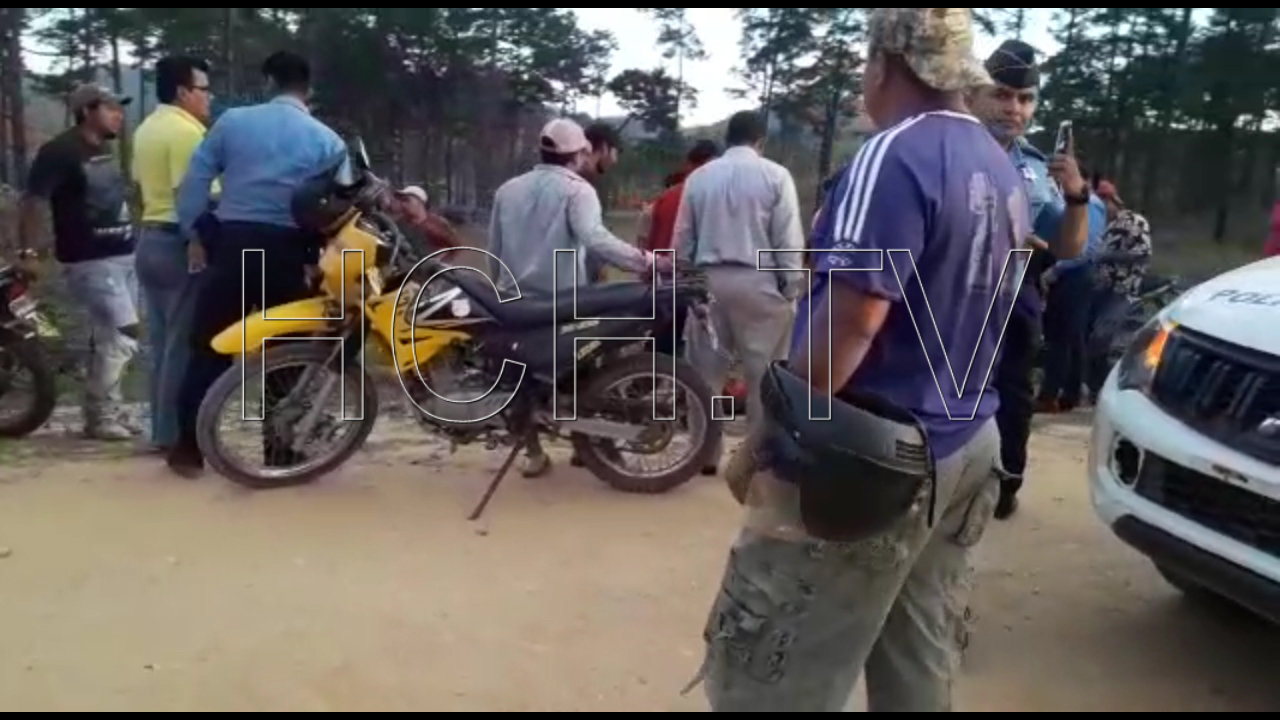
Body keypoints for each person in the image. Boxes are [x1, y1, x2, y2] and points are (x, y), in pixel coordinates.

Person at [691, 9, 1026, 711]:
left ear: (884, 64)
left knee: (771, 675)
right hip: (968, 442)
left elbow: (852, 324)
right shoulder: (998, 165)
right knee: (915, 658)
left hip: (873, 462)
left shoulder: (893, 154)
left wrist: (766, 440)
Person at [167, 51, 350, 477]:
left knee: (209, 348)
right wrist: (321, 256)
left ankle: (188, 450)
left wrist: (196, 231)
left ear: (268, 82)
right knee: (285, 354)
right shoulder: (328, 141)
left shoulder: (232, 123)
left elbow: (195, 181)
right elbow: (340, 206)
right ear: (308, 90)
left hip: (233, 247)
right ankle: (280, 452)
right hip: (287, 252)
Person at [487, 118, 665, 478]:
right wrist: (647, 261)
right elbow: (595, 238)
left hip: (514, 303)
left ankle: (533, 454)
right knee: (591, 372)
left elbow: (494, 249)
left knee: (520, 379)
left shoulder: (507, 190)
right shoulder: (577, 190)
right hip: (562, 301)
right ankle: (598, 449)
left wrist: (498, 294)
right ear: (579, 153)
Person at [967, 38, 1091, 519]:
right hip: (944, 300)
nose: (1014, 109)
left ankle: (1003, 488)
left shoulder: (1036, 169)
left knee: (1012, 400)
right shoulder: (945, 150)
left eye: (1025, 99)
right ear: (973, 93)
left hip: (1011, 299)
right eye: (1001, 94)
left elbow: (1069, 248)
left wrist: (1077, 196)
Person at [674, 111, 804, 476]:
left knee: (705, 374)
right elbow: (787, 240)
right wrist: (790, 285)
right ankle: (755, 460)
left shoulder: (700, 177)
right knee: (764, 378)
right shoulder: (776, 176)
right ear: (760, 141)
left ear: (727, 138)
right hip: (759, 279)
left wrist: (687, 281)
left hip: (708, 280)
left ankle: (704, 453)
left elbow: (682, 240)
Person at [16, 83, 139, 441]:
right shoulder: (60, 151)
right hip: (89, 258)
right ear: (87, 111)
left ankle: (109, 409)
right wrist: (30, 253)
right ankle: (101, 414)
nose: (118, 115)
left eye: (120, 108)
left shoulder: (103, 148)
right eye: (110, 108)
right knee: (124, 333)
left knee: (109, 337)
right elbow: (33, 201)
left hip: (122, 253)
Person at [132, 55, 215, 453]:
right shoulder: (186, 133)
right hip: (179, 242)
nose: (208, 97)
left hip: (150, 237)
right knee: (181, 344)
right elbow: (190, 196)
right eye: (203, 89)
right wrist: (197, 241)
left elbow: (141, 186)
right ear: (183, 92)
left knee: (162, 343)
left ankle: (161, 430)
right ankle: (174, 435)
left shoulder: (147, 128)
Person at [1037, 189, 1108, 411]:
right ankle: (1068, 393)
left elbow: (1087, 247)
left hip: (1075, 275)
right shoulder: (1063, 201)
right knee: (1070, 336)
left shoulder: (1089, 204)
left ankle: (1052, 394)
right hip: (1069, 274)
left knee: (1062, 337)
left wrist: (1056, 270)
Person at [1086, 180, 1153, 398]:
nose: (1102, 207)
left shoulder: (1134, 221)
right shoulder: (1102, 224)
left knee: (1102, 338)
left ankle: (1108, 389)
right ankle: (1094, 388)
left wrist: (1107, 256)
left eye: (1104, 202)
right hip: (1098, 290)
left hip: (1122, 290)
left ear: (1113, 200)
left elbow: (1143, 253)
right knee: (1090, 339)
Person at [640, 139, 720, 254]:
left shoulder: (664, 200)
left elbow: (644, 244)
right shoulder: (719, 197)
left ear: (688, 165)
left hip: (663, 261)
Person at [389, 184, 463, 257]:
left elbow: (454, 246)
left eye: (407, 200)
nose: (403, 204)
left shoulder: (436, 223)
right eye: (401, 201)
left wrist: (435, 260)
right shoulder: (399, 224)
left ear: (420, 202)